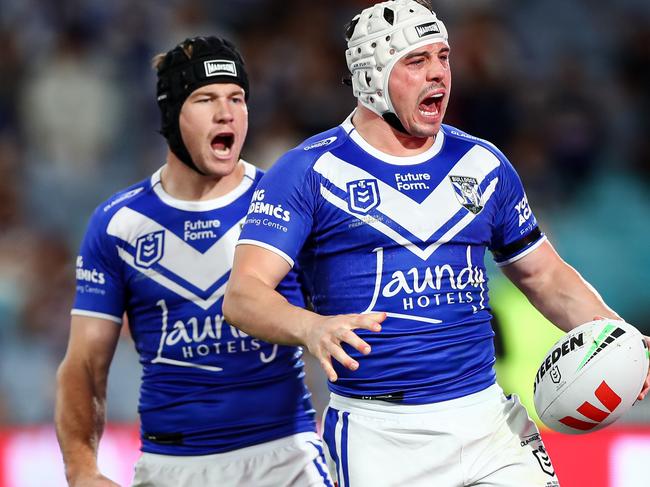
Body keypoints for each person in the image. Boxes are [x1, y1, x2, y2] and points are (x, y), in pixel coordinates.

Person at [222, 2, 650, 486]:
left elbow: (544, 275)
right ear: (371, 76)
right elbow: (243, 296)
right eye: (416, 61)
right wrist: (311, 328)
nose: (439, 74)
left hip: (488, 419)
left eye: (442, 56)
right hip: (378, 436)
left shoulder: (483, 162)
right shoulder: (306, 172)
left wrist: (619, 336)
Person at [55, 36, 333, 487]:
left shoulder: (286, 204)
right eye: (206, 99)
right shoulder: (118, 224)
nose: (226, 113)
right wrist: (81, 469)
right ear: (170, 116)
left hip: (286, 457)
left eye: (237, 98)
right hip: (170, 466)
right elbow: (84, 363)